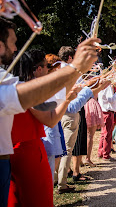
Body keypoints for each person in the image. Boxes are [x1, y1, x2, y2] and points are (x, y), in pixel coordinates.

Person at [0, 17, 99, 205]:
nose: (15, 50)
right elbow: (49, 115)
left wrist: (74, 78)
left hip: (15, 156)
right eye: (13, 43)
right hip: (27, 154)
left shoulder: (15, 84)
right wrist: (75, 68)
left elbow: (53, 101)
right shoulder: (21, 88)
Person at [98, 76, 116, 161]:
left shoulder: (100, 87)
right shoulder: (107, 87)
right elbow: (111, 99)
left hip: (103, 111)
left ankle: (101, 152)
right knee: (107, 134)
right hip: (107, 112)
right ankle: (106, 154)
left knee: (103, 133)